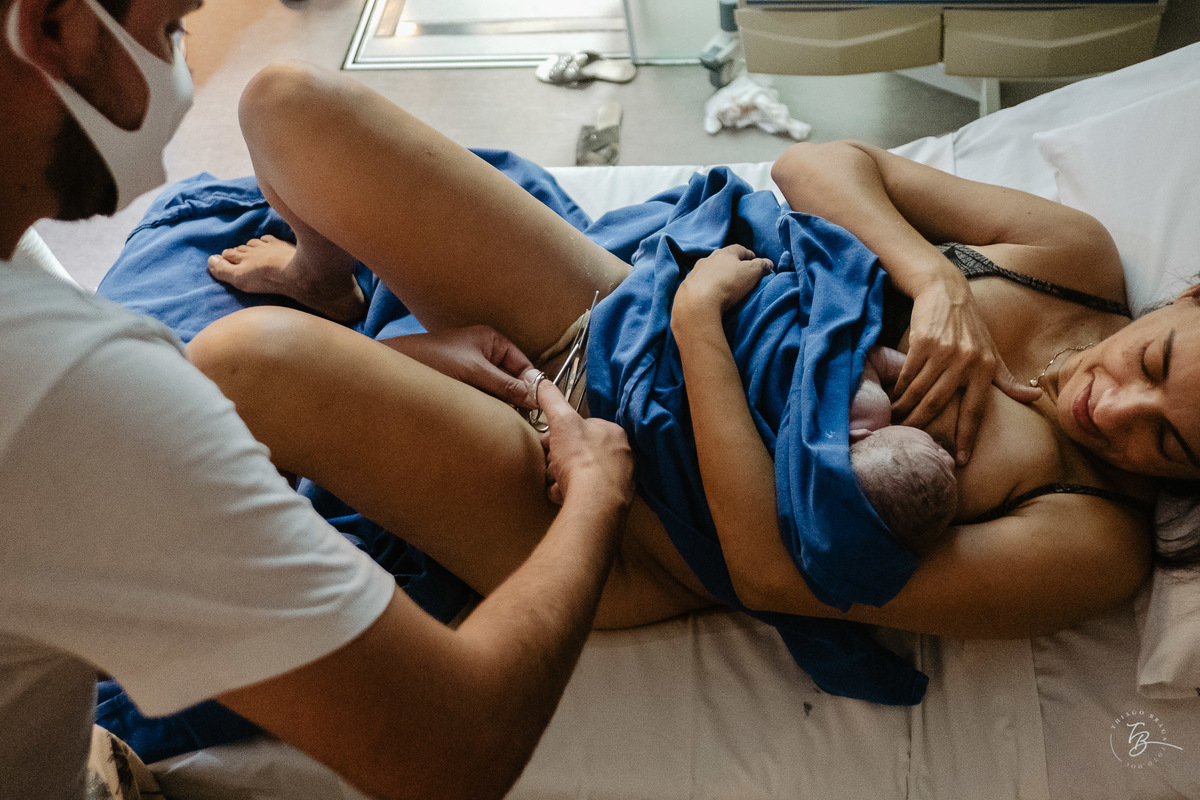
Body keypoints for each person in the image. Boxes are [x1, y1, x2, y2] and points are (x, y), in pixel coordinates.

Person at [190, 60, 1198, 670]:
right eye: (1154, 359)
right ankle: (329, 283)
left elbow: (773, 573)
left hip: (620, 509)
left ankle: (371, 351)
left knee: (244, 359)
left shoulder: (1092, 538)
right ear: (1187, 299)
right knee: (289, 102)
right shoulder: (1076, 261)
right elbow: (819, 167)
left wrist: (704, 330)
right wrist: (934, 282)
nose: (1117, 406)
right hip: (612, 315)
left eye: (1168, 437)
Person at [0, 2, 639, 799]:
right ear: (51, 28)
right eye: (169, 30)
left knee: (283, 127)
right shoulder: (64, 389)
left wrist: (376, 366)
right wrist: (598, 501)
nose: (185, 58)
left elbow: (71, 527)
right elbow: (451, 745)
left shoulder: (40, 328)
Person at [847, 344, 958, 555]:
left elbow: (869, 356)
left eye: (934, 448)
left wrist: (922, 375)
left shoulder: (872, 409)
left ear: (864, 435)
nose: (950, 459)